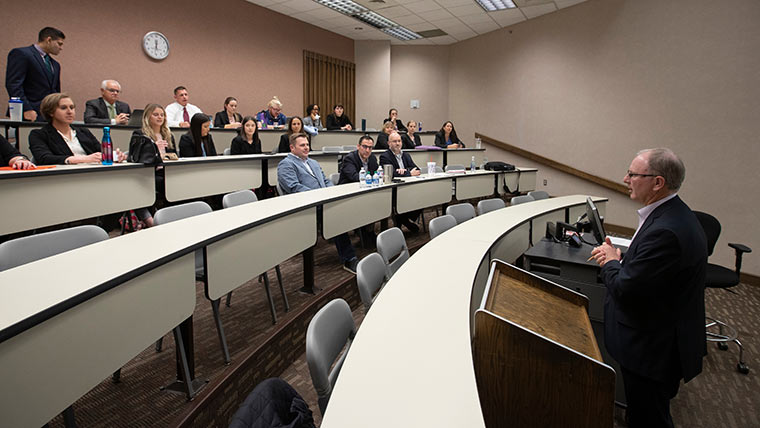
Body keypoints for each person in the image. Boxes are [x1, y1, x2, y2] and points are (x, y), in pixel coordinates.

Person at [589, 148, 707, 428]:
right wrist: (624, 259)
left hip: (653, 349)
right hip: (662, 337)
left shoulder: (666, 230)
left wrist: (610, 262)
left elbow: (626, 289)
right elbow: (650, 274)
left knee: (648, 418)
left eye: (633, 174)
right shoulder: (672, 214)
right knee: (645, 413)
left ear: (657, 182)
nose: (625, 178)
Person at [278, 133, 359, 273]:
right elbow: (294, 187)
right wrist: (320, 196)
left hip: (323, 200)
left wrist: (332, 192)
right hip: (305, 205)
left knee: (345, 206)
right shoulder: (286, 164)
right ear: (292, 147)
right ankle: (349, 258)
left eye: (307, 145)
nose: (306, 148)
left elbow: (325, 180)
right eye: (302, 145)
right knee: (335, 215)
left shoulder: (312, 162)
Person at [29, 93, 126, 165]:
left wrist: (114, 155)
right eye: (63, 108)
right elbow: (44, 158)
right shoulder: (39, 134)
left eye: (72, 107)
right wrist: (82, 159)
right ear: (50, 112)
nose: (69, 112)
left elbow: (100, 150)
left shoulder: (82, 131)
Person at [127, 104, 178, 227]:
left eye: (162, 115)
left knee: (179, 182)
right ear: (147, 117)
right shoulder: (140, 135)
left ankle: (173, 217)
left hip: (166, 172)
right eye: (156, 115)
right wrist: (155, 149)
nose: (159, 117)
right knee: (140, 188)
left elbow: (175, 155)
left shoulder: (168, 135)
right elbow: (136, 158)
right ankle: (150, 221)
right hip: (147, 174)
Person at [5, 27, 65, 121]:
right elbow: (14, 84)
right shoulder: (22, 54)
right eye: (59, 44)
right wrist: (26, 108)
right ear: (48, 40)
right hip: (28, 113)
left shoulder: (55, 65)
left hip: (48, 115)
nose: (61, 48)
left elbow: (55, 92)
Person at [339, 134, 380, 247]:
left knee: (378, 202)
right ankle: (364, 232)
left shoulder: (372, 158)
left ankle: (369, 231)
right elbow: (354, 177)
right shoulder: (349, 158)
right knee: (366, 204)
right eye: (364, 147)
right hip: (348, 193)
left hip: (366, 191)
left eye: (370, 147)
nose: (367, 150)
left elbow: (376, 173)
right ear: (358, 146)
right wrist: (370, 178)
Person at [379, 131, 421, 233]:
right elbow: (390, 174)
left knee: (423, 196)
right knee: (402, 199)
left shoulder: (406, 155)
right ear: (389, 143)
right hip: (394, 189)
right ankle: (403, 220)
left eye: (399, 141)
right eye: (394, 141)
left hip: (408, 188)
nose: (397, 143)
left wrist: (404, 171)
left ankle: (402, 219)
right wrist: (409, 173)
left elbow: (417, 169)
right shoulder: (385, 156)